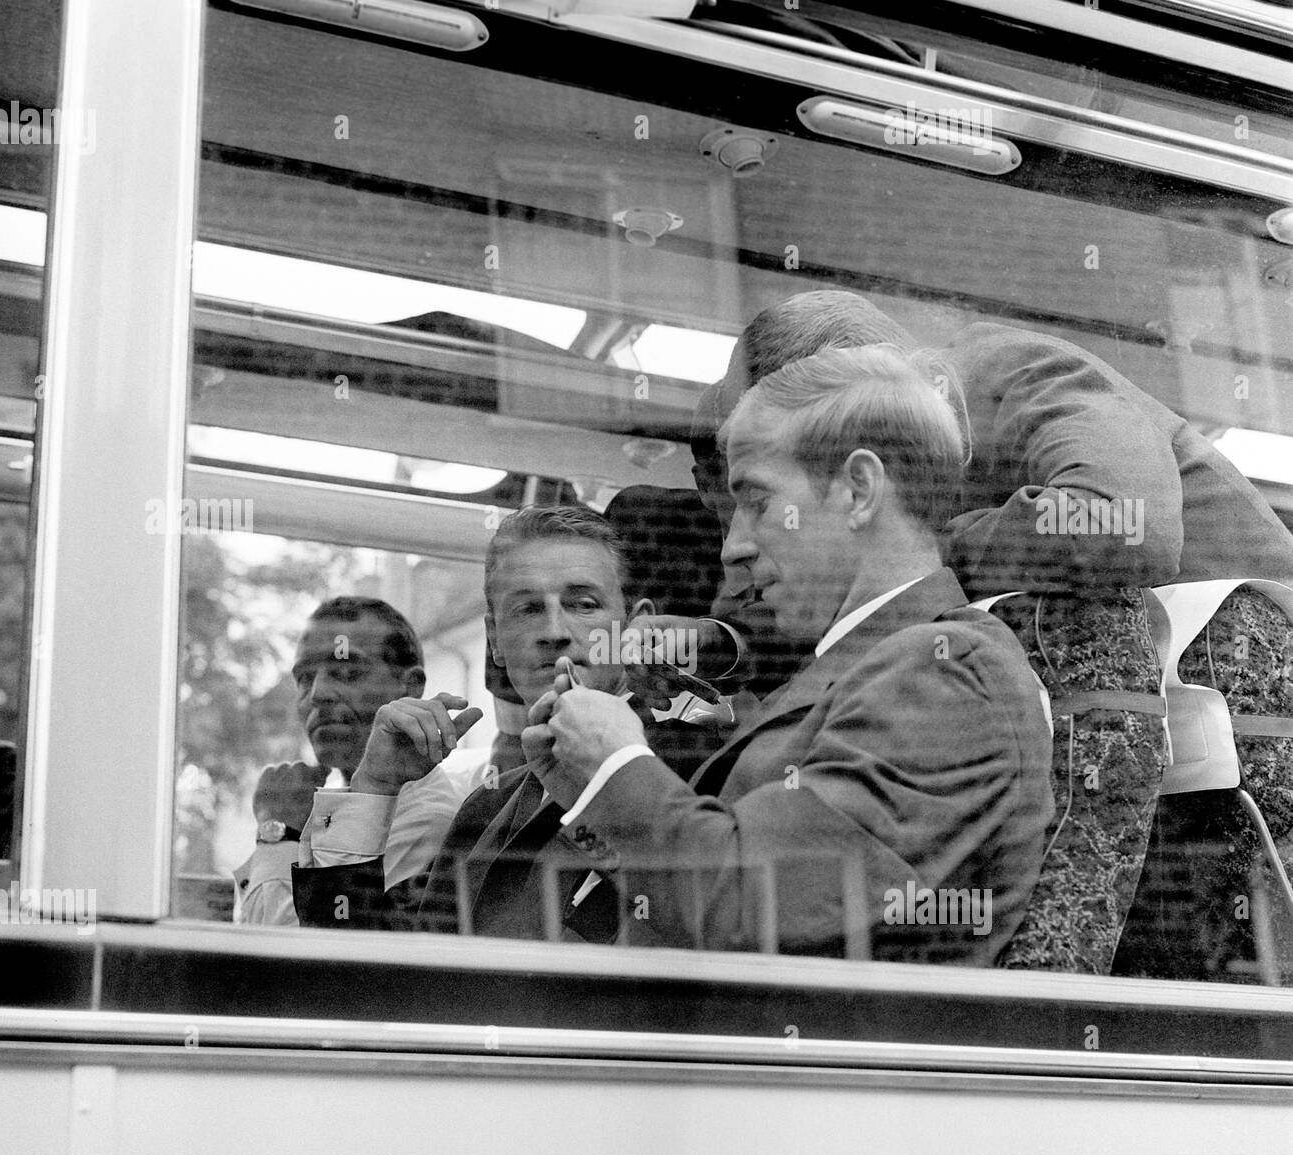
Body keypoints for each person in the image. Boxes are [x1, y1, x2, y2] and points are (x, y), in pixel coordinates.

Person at [684, 291, 1293, 974]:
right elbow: (824, 614)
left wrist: (927, 548)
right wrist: (708, 649)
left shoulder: (1013, 372)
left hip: (1246, 687)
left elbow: (1130, 526)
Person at [522, 346, 1055, 961]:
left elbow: (754, 907)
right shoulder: (869, 668)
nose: (734, 549)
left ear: (858, 490)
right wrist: (584, 783)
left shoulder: (948, 671)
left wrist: (615, 767)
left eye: (758, 504)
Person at [290, 506, 724, 937]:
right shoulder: (486, 806)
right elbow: (378, 966)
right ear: (495, 640)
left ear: (635, 625)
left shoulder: (698, 764)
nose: (554, 630)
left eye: (583, 604)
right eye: (528, 609)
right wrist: (373, 786)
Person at [234, 595, 487, 925]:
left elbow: (292, 957)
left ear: (410, 688)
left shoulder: (426, 818)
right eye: (304, 679)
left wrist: (277, 831)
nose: (318, 695)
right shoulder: (337, 805)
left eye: (344, 672)